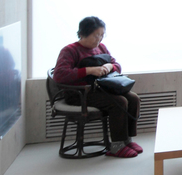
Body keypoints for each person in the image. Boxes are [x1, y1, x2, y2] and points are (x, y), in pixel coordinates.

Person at [53, 16, 141, 157]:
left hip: (101, 89)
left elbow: (117, 65)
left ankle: (127, 140)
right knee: (119, 102)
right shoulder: (70, 50)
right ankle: (117, 145)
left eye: (101, 35)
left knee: (133, 98)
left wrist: (110, 66)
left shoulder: (101, 47)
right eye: (96, 35)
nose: (99, 39)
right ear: (83, 34)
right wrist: (89, 70)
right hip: (79, 94)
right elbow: (59, 75)